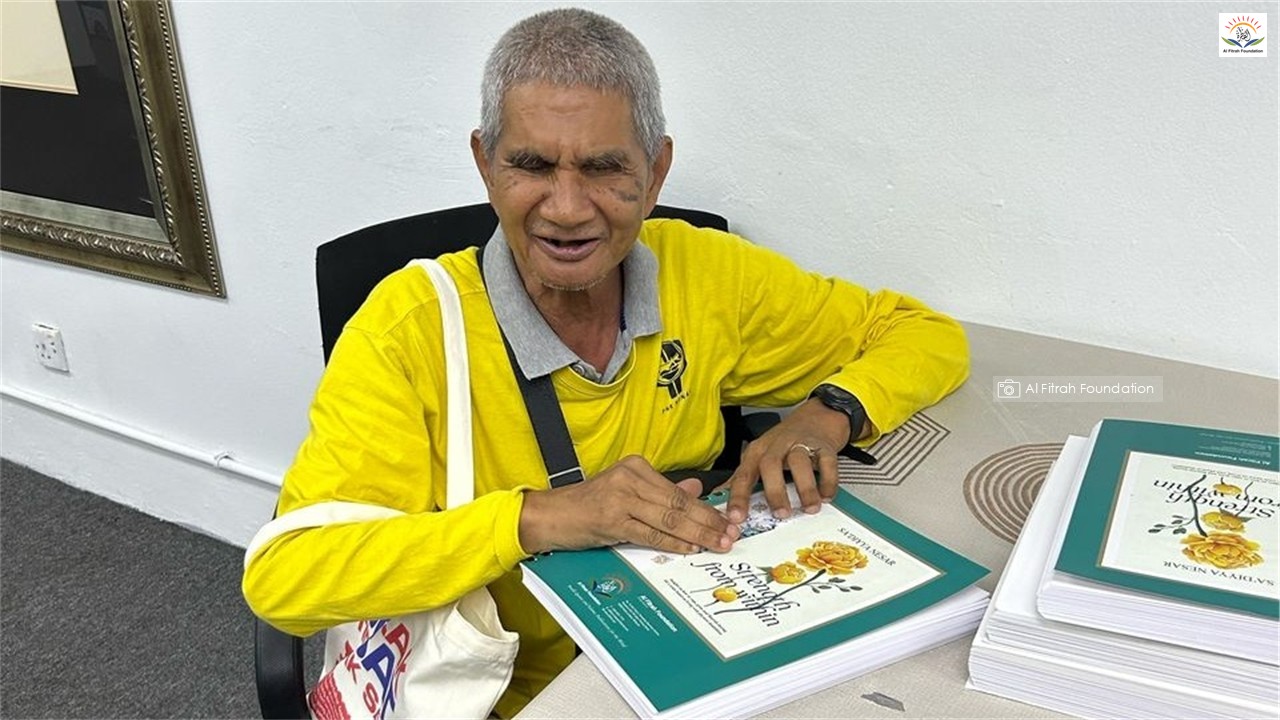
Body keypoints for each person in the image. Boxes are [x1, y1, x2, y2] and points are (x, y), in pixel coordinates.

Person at [243, 8, 968, 717]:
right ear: (485, 164)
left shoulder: (708, 275)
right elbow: (286, 577)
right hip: (516, 692)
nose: (566, 209)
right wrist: (533, 519)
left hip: (698, 644)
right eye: (531, 165)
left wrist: (827, 414)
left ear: (655, 173)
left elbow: (923, 335)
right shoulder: (411, 327)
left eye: (603, 168)